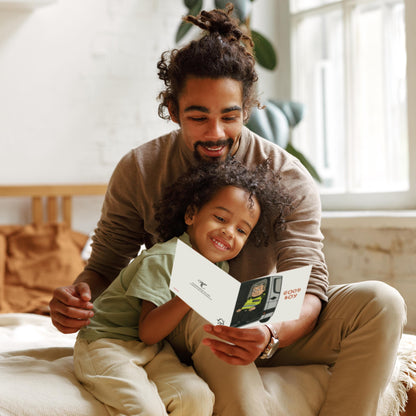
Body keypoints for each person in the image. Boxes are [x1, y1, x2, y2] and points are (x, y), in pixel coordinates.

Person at [50, 5, 406, 416]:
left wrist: (270, 332)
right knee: (205, 294)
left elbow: (308, 284)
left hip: (268, 323)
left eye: (229, 116)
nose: (215, 133)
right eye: (198, 117)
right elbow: (106, 264)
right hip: (176, 321)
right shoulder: (141, 168)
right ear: (172, 108)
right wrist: (78, 298)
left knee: (382, 301)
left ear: (249, 108)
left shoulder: (289, 177)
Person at [73, 158, 292, 416]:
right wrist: (192, 295)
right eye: (220, 218)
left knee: (196, 397)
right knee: (146, 409)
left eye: (242, 230)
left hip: (152, 352)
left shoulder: (219, 270)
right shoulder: (165, 258)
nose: (229, 232)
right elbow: (148, 331)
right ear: (191, 215)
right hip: (106, 344)